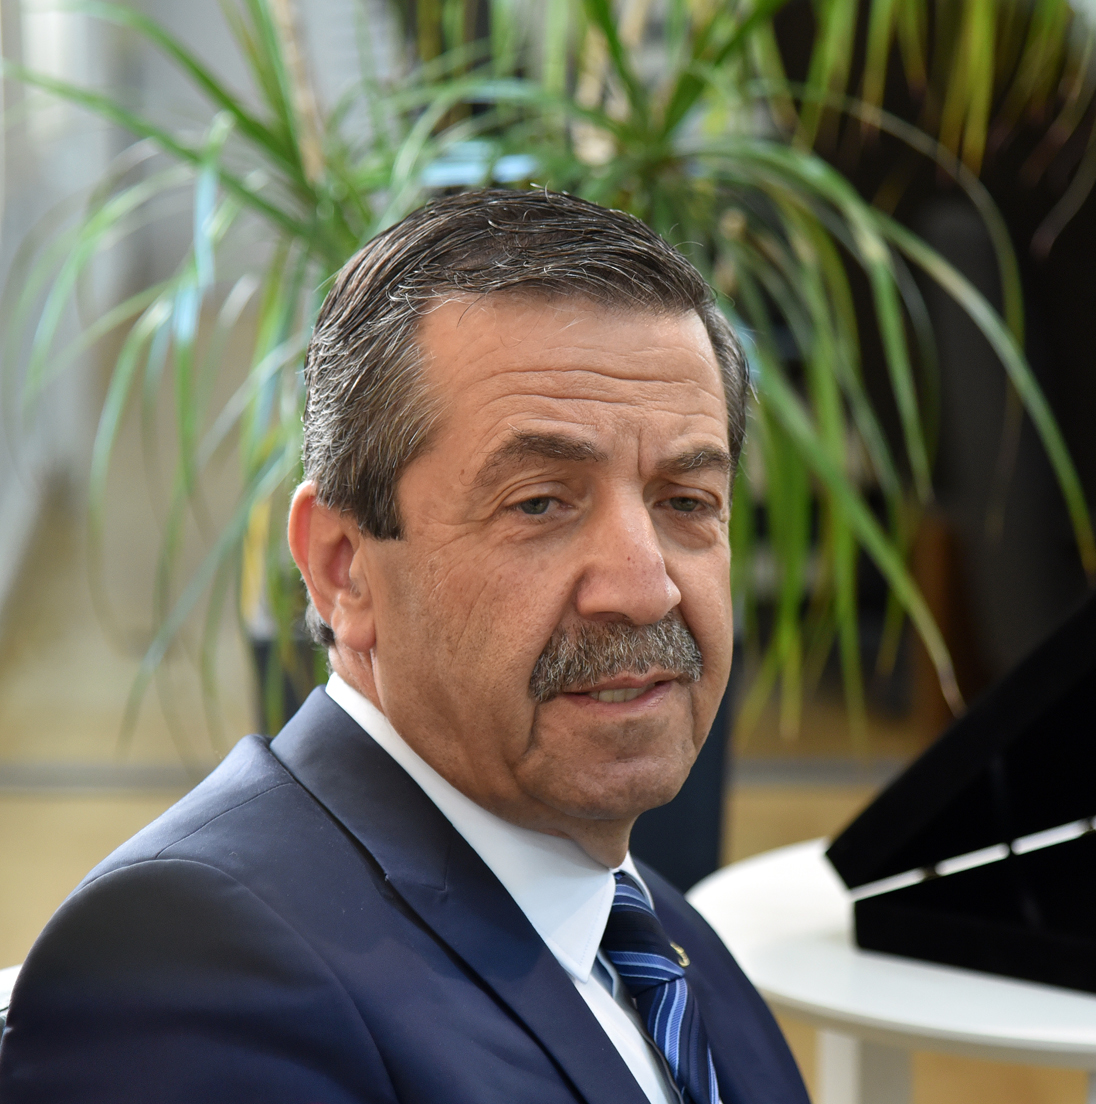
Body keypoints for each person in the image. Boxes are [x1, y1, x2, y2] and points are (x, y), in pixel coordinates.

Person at [0, 189, 811, 1104]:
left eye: (686, 502)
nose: (644, 586)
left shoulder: (667, 938)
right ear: (342, 569)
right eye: (540, 503)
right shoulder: (184, 967)